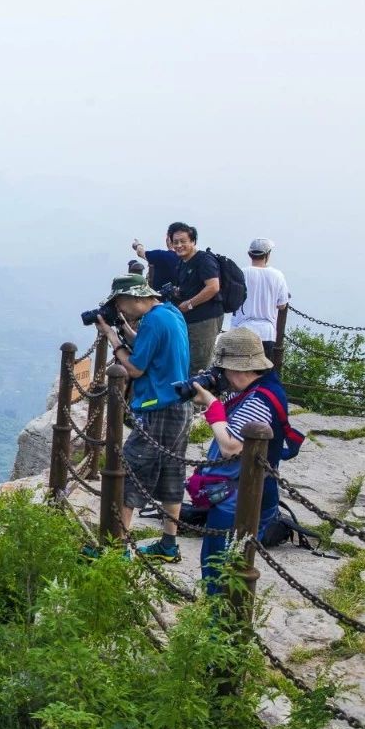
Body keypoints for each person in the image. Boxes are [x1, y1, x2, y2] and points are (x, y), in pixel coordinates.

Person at [96, 274, 191, 561]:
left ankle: (117, 548)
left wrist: (113, 337)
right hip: (180, 404)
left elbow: (135, 369)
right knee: (172, 474)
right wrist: (124, 328)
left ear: (136, 298)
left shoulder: (153, 320)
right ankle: (168, 544)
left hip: (158, 407)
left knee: (129, 471)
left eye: (121, 303)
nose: (120, 309)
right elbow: (150, 348)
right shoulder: (169, 312)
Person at [188, 328, 290, 594]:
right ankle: (216, 617)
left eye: (223, 371)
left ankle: (221, 623)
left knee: (224, 568)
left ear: (239, 369)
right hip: (235, 492)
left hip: (242, 498)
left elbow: (231, 446)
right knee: (217, 563)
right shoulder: (260, 388)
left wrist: (212, 406)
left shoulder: (260, 399)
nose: (222, 377)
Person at [167, 222, 223, 374]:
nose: (179, 245)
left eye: (183, 241)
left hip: (205, 319)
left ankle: (199, 396)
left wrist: (189, 304)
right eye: (175, 242)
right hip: (190, 321)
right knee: (188, 362)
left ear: (193, 241)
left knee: (199, 366)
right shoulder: (182, 263)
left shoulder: (204, 260)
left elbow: (213, 287)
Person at [229, 238, 290, 359]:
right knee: (263, 372)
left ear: (249, 254)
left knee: (241, 371)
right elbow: (282, 304)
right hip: (266, 332)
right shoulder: (277, 275)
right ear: (267, 255)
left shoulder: (241, 273)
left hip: (242, 329)